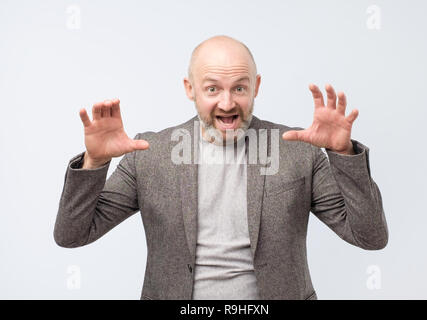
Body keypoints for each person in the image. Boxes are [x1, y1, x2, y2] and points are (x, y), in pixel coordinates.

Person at [54, 35, 388, 300]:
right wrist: (95, 162)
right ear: (190, 89)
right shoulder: (149, 154)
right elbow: (72, 235)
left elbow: (369, 237)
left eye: (239, 88)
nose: (227, 104)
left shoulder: (299, 152)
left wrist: (342, 153)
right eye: (212, 88)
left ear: (256, 87)